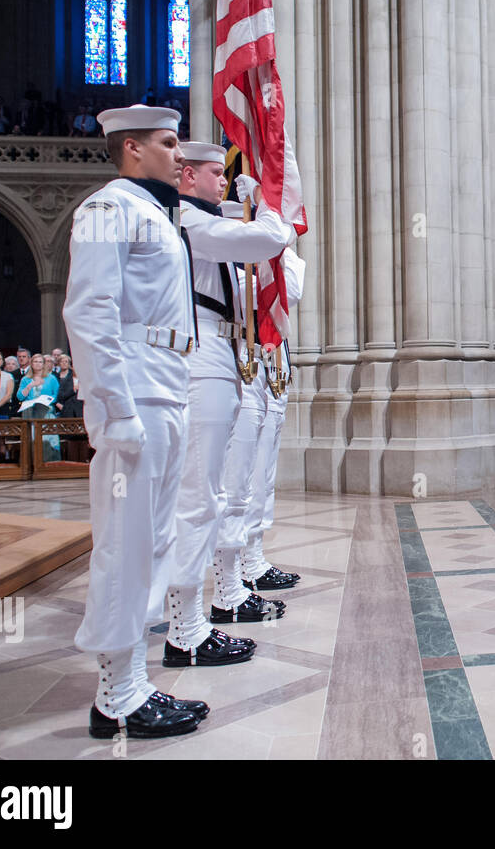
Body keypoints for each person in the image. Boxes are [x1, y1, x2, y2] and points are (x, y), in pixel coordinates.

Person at [62, 104, 207, 740]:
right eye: (169, 143)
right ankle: (116, 694)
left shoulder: (157, 215)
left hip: (167, 386)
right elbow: (89, 312)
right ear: (131, 150)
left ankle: (133, 680)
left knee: (153, 542)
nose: (181, 155)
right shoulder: (106, 209)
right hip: (135, 394)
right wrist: (111, 408)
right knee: (125, 544)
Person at [165, 141, 297, 667]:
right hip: (200, 355)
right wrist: (264, 200)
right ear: (187, 176)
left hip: (225, 352)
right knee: (202, 494)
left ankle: (215, 600)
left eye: (226, 173)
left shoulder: (203, 221)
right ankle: (187, 623)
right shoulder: (187, 222)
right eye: (215, 173)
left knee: (228, 486)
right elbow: (268, 239)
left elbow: (282, 269)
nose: (223, 182)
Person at [239, 249, 306, 594]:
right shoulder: (224, 239)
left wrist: (276, 250)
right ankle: (237, 567)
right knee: (243, 476)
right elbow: (270, 291)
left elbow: (290, 287)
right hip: (244, 356)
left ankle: (254, 557)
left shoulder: (271, 253)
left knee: (264, 472)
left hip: (272, 358)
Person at [16, 353, 61, 462]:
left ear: (44, 364)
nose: (38, 364)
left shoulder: (51, 378)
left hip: (46, 412)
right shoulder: (26, 379)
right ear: (31, 364)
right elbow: (20, 396)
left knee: (48, 438)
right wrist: (31, 385)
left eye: (40, 362)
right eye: (35, 362)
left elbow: (56, 394)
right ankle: (34, 463)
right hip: (30, 412)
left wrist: (47, 400)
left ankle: (50, 463)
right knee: (32, 438)